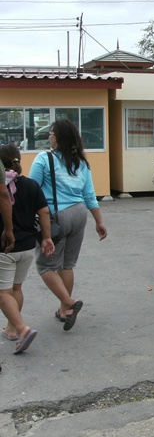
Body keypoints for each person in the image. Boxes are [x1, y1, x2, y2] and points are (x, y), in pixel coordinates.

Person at [29, 118, 107, 331]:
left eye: (51, 133)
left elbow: (32, 191)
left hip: (55, 217)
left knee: (45, 266)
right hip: (79, 214)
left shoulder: (44, 159)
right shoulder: (81, 162)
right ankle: (64, 310)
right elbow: (89, 194)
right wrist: (99, 221)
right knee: (67, 264)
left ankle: (69, 301)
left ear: (59, 137)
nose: (49, 136)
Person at [0, 144, 54, 354]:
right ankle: (12, 328)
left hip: (6, 248)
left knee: (2, 292)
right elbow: (44, 212)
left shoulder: (2, 186)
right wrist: (47, 238)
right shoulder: (31, 185)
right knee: (16, 289)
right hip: (27, 247)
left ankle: (21, 328)